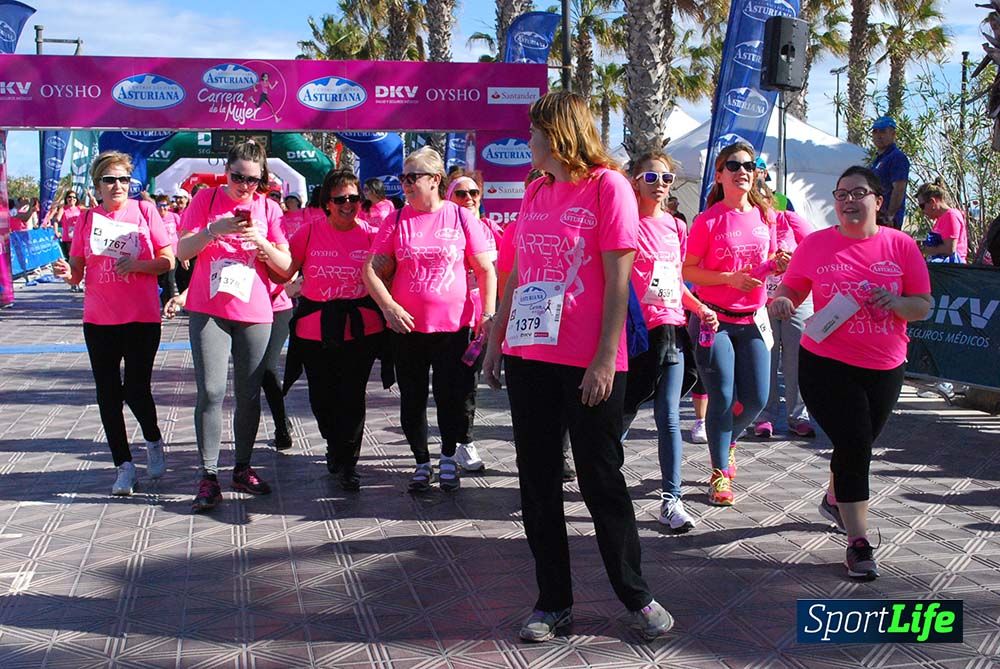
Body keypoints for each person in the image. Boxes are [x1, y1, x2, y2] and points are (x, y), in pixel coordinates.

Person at [483, 91, 673, 642]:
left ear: (558, 132)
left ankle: (635, 595)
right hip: (530, 356)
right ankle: (552, 603)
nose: (527, 141)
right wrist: (497, 342)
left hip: (588, 362)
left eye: (534, 130)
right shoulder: (536, 190)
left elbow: (620, 280)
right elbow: (518, 273)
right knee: (537, 481)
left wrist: (604, 360)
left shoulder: (608, 186)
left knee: (600, 479)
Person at [769, 165, 931, 580]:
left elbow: (922, 305)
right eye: (841, 195)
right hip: (825, 363)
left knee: (854, 444)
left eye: (858, 193)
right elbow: (791, 288)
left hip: (885, 365)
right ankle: (858, 543)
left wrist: (895, 303)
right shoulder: (816, 245)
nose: (848, 202)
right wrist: (783, 302)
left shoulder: (902, 246)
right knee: (856, 443)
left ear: (878, 201)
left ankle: (833, 497)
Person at [362, 147, 496, 493]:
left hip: (453, 328)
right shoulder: (396, 218)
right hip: (408, 329)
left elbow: (485, 269)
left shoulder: (460, 216)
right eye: (403, 178)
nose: (405, 184)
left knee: (451, 397)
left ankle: (449, 457)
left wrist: (488, 313)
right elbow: (370, 270)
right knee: (413, 398)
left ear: (435, 180)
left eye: (413, 178)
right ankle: (422, 461)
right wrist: (389, 307)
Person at [176, 141, 292, 512]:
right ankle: (208, 475)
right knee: (210, 391)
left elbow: (285, 265)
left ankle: (242, 467)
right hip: (208, 308)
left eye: (253, 180)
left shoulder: (269, 208)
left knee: (248, 393)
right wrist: (215, 229)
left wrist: (261, 243)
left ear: (263, 181)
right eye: (238, 177)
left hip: (255, 310)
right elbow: (181, 251)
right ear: (227, 172)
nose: (245, 186)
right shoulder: (205, 200)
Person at [52, 151, 174, 495]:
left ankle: (152, 439)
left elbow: (167, 260)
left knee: (136, 389)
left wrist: (138, 265)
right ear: (98, 185)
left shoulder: (145, 211)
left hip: (141, 317)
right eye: (110, 180)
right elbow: (77, 272)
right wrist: (65, 273)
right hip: (99, 319)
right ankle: (124, 466)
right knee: (107, 395)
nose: (118, 186)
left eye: (124, 180)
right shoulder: (88, 219)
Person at [682, 142, 788, 506]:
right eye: (734, 165)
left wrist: (778, 263)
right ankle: (719, 473)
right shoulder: (708, 220)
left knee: (757, 398)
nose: (742, 170)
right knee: (723, 397)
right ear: (720, 174)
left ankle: (726, 442)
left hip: (754, 320)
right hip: (716, 320)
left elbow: (769, 259)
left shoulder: (766, 216)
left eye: (749, 165)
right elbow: (688, 270)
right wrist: (728, 279)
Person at [622, 151, 717, 533]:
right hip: (634, 335)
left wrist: (700, 307)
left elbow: (675, 283)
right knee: (624, 410)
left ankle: (671, 500)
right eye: (651, 177)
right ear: (634, 182)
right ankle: (601, 472)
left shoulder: (676, 228)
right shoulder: (624, 224)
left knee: (669, 418)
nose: (660, 184)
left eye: (666, 178)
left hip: (672, 330)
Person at [279, 170, 384, 489]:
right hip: (316, 329)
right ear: (327, 203)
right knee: (322, 398)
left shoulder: (371, 234)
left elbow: (386, 276)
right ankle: (332, 441)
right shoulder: (309, 233)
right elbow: (284, 270)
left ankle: (349, 460)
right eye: (341, 199)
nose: (348, 205)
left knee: (352, 396)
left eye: (354, 199)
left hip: (360, 328)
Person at [444, 170, 500, 473]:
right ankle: (446, 445)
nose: (468, 199)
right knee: (447, 384)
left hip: (481, 321)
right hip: (447, 319)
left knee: (467, 383)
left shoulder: (491, 229)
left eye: (473, 193)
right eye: (461, 194)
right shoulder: (443, 229)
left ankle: (464, 441)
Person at [752, 179, 817, 438]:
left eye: (762, 201)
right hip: (761, 301)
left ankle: (798, 415)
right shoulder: (747, 227)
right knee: (764, 360)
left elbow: (815, 251)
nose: (759, 208)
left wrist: (793, 261)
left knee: (796, 359)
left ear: (771, 200)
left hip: (796, 299)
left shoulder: (790, 220)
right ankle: (763, 415)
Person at [870, 116, 910, 230]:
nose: (878, 135)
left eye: (882, 131)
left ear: (893, 134)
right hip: (876, 216)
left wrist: (890, 215)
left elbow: (899, 189)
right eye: (875, 131)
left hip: (887, 220)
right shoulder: (879, 159)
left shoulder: (897, 157)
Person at [916, 179, 968, 264]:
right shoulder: (940, 219)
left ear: (932, 202)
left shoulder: (951, 216)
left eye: (922, 206)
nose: (923, 211)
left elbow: (949, 249)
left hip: (952, 270)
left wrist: (924, 250)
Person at [155, 194, 181, 306]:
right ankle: (163, 303)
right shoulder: (154, 218)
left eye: (165, 205)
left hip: (173, 253)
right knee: (161, 281)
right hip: (159, 253)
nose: (162, 208)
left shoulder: (174, 217)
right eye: (159, 205)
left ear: (169, 206)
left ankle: (171, 304)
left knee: (170, 279)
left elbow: (181, 232)